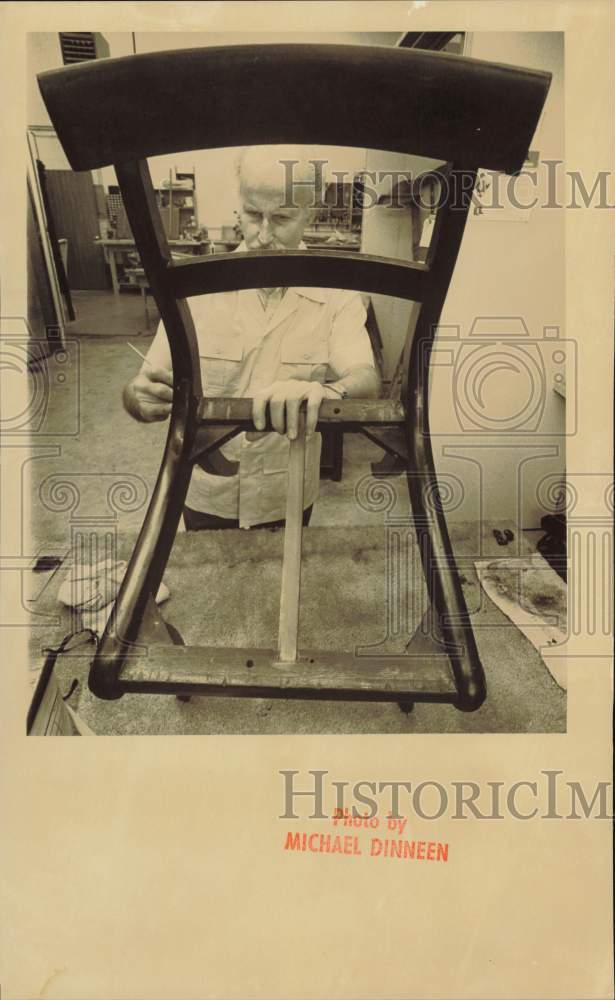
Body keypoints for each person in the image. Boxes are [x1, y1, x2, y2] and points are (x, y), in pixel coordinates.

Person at [122, 146, 380, 530]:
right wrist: (137, 398)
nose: (262, 235)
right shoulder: (196, 288)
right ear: (238, 207)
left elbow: (366, 378)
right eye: (252, 215)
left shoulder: (336, 292)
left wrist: (330, 392)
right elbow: (145, 382)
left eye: (281, 218)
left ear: (310, 212)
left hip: (288, 491)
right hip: (207, 488)